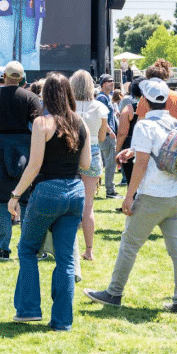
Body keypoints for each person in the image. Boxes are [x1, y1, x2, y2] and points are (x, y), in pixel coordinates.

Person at [84, 78, 177, 314]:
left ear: (144, 100)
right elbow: (161, 150)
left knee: (129, 245)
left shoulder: (144, 126)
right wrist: (133, 150)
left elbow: (142, 164)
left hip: (152, 195)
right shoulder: (174, 122)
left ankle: (113, 293)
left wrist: (129, 196)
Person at [7, 72, 90, 330]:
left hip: (47, 191)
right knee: (65, 259)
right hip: (75, 191)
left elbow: (34, 165)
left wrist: (15, 195)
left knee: (27, 249)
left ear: (46, 96)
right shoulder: (81, 123)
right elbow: (86, 164)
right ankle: (62, 321)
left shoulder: (42, 123)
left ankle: (29, 309)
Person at [0, 61, 43, 260]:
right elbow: (40, 127)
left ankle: (4, 249)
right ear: (22, 79)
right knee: (26, 201)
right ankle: (28, 248)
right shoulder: (31, 97)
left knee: (1, 201)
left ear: (3, 76)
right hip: (26, 152)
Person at [71, 70, 110, 263]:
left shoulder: (67, 106)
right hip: (93, 152)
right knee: (88, 206)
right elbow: (102, 138)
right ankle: (89, 250)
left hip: (69, 153)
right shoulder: (101, 108)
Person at [136, 59, 177, 129]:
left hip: (152, 135)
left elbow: (140, 123)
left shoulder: (146, 97)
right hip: (172, 136)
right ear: (165, 77)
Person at [115, 78, 146, 186]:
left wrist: (118, 149)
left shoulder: (129, 109)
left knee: (132, 184)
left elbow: (122, 133)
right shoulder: (153, 108)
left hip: (130, 146)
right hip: (148, 146)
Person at [95, 74, 121, 199]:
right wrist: (110, 131)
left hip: (107, 135)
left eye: (112, 81)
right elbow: (102, 117)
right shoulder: (101, 98)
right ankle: (110, 191)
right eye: (109, 81)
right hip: (106, 136)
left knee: (109, 164)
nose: (112, 83)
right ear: (103, 84)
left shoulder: (107, 97)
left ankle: (109, 189)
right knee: (110, 164)